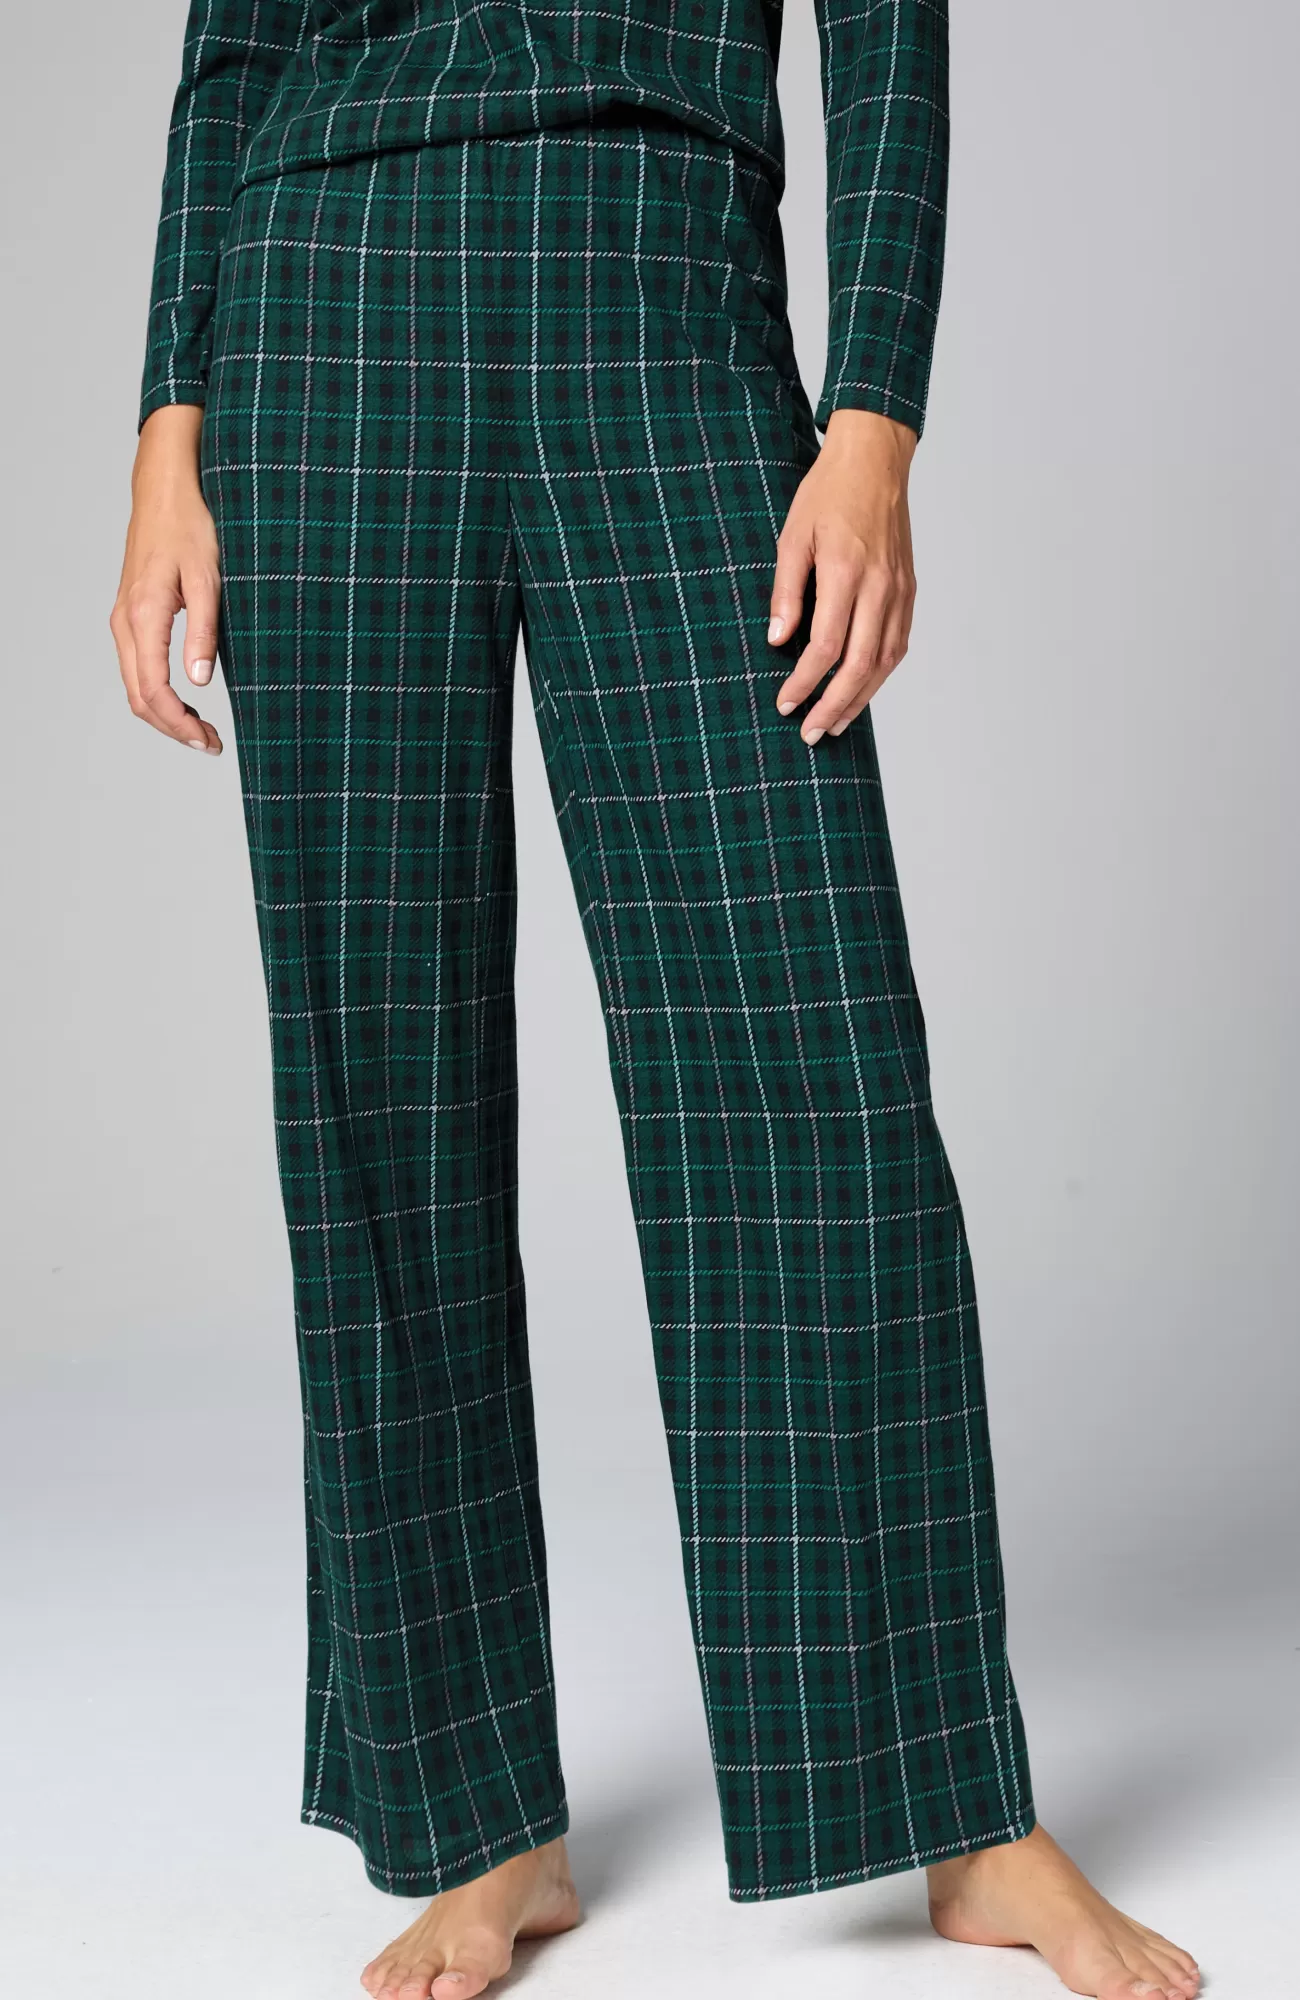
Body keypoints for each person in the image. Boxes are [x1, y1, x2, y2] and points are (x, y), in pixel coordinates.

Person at [111, 6, 1200, 1999]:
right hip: (321, 299)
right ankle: (476, 1821)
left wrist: (871, 414)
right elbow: (234, 40)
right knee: (375, 1093)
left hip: (655, 274)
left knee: (807, 1069)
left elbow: (884, 32)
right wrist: (167, 424)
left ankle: (953, 1805)